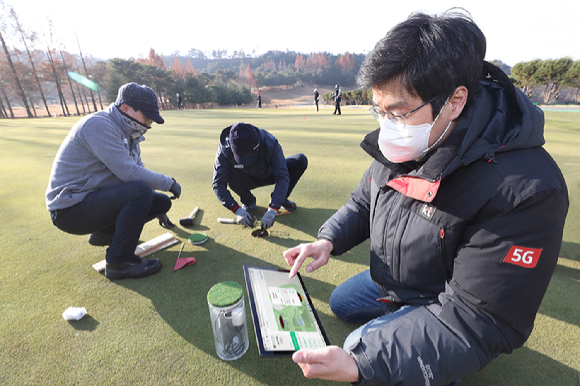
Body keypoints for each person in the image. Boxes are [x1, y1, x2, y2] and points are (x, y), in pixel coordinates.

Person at [283, 9, 568, 385]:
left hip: (448, 300)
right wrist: (327, 239)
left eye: (398, 113)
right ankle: (398, 318)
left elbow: (478, 317)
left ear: (455, 101)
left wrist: (365, 362)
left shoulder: (526, 191)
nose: (386, 127)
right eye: (379, 111)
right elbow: (364, 200)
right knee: (342, 303)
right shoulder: (405, 140)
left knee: (359, 348)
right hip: (399, 280)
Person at [46, 83, 182, 280]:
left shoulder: (130, 134)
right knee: (140, 191)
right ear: (125, 108)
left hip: (91, 201)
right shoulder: (98, 125)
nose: (148, 124)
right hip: (69, 209)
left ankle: (106, 234)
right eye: (146, 117)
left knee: (161, 201)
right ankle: (119, 262)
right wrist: (169, 182)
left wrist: (156, 208)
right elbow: (129, 173)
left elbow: (138, 170)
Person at [212, 122, 308, 229]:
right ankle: (249, 201)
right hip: (245, 178)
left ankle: (281, 200)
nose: (247, 161)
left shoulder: (270, 142)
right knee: (227, 174)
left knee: (300, 160)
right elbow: (218, 184)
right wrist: (237, 210)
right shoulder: (224, 149)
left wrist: (273, 209)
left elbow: (282, 176)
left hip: (268, 173)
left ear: (257, 145)